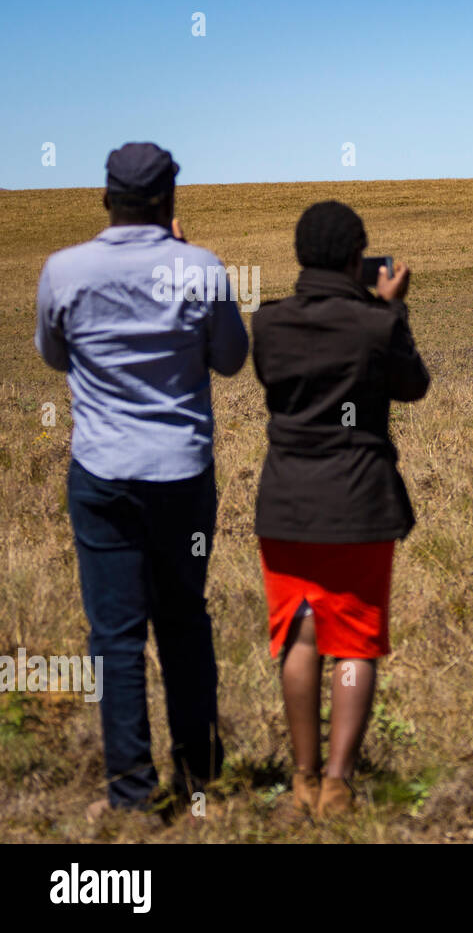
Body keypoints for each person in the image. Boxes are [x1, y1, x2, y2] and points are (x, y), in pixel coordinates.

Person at [34, 142, 249, 816]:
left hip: (102, 474)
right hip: (182, 472)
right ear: (170, 201)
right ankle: (202, 775)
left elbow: (53, 353)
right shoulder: (202, 268)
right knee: (185, 618)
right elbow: (233, 358)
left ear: (105, 198)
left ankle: (131, 791)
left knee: (115, 635)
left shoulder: (63, 270)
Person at [252, 201, 429, 818]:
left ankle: (300, 781)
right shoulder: (375, 325)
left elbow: (275, 383)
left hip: (287, 504)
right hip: (359, 502)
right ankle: (338, 784)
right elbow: (413, 386)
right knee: (353, 641)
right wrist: (390, 309)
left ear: (301, 254)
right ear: (358, 257)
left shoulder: (268, 324)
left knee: (299, 637)